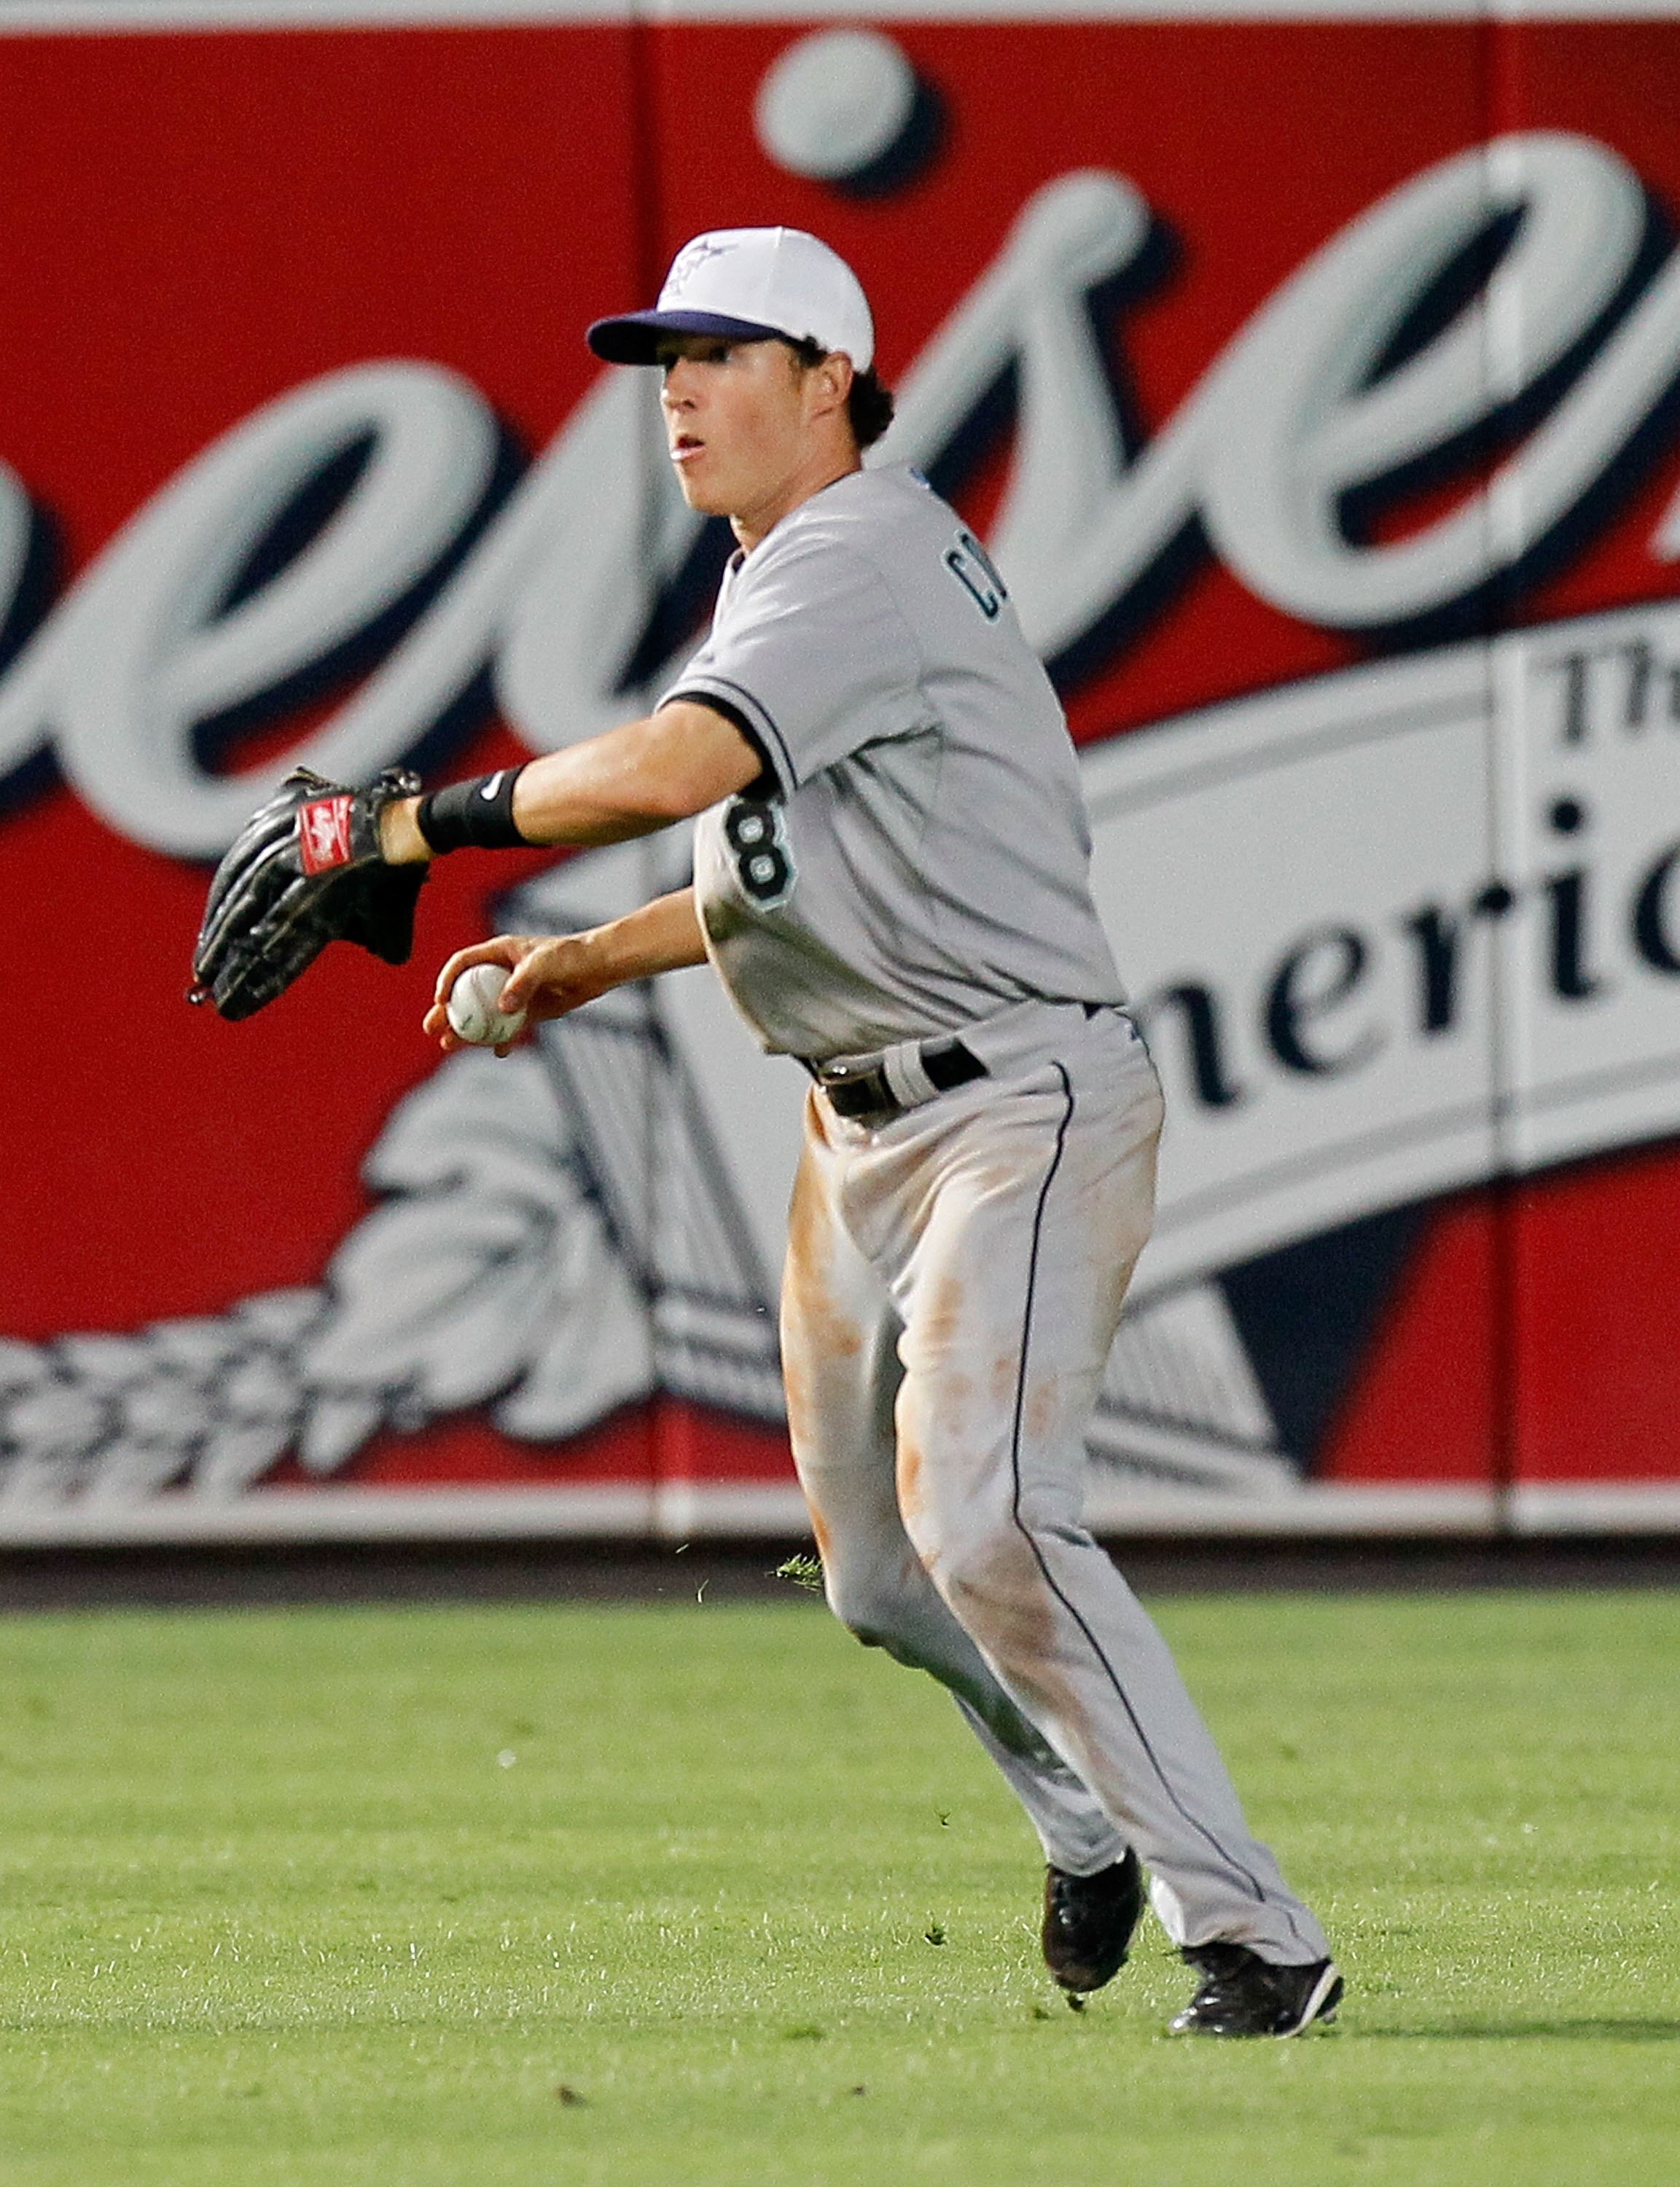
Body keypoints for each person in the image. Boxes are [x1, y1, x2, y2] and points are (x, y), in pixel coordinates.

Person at [381, 226, 1342, 2038]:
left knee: (983, 1517)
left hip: (1018, 1101)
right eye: (660, 357)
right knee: (881, 1581)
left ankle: (1256, 1937)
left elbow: (671, 776)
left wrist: (409, 828)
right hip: (862, 1130)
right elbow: (768, 868)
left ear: (830, 379)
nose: (675, 390)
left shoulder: (858, 554)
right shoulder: (781, 588)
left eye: (722, 352)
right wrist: (586, 959)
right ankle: (1081, 1819)